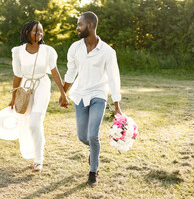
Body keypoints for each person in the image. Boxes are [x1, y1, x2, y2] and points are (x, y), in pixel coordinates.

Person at [60, 12, 122, 186]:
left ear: (91, 25)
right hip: (80, 95)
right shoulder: (75, 48)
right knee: (83, 136)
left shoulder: (108, 52)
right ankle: (94, 150)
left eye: (80, 24)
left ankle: (93, 172)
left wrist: (117, 105)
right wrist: (63, 93)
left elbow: (113, 78)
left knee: (93, 135)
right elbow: (71, 72)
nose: (77, 28)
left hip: (98, 95)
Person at [8, 20, 68, 172]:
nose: (39, 34)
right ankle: (33, 152)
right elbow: (17, 76)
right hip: (25, 87)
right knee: (26, 122)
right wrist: (13, 97)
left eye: (41, 31)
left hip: (42, 85)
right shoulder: (18, 52)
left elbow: (54, 72)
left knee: (35, 122)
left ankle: (38, 160)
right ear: (27, 32)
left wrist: (63, 94)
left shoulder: (48, 51)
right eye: (36, 31)